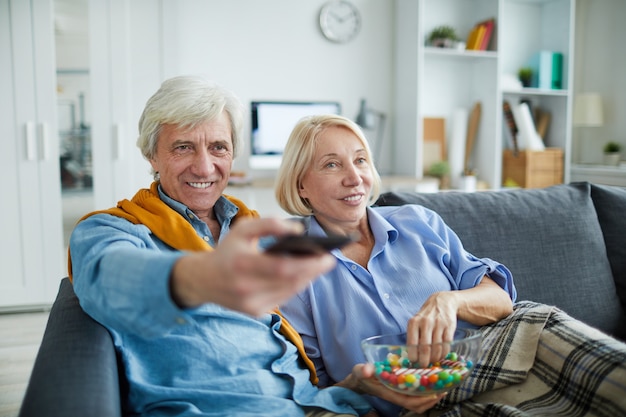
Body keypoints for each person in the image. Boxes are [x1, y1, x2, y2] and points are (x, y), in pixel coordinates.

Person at [68, 75, 433, 417]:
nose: (204, 166)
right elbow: (108, 276)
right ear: (152, 155)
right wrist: (201, 274)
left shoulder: (257, 233)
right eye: (183, 147)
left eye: (218, 147)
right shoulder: (113, 229)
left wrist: (356, 383)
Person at [275, 114, 626, 417]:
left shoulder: (418, 222)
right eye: (332, 164)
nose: (355, 178)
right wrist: (362, 384)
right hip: (431, 402)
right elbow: (312, 391)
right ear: (301, 184)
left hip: (509, 346)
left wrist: (450, 301)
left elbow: (501, 301)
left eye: (361, 160)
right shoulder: (294, 270)